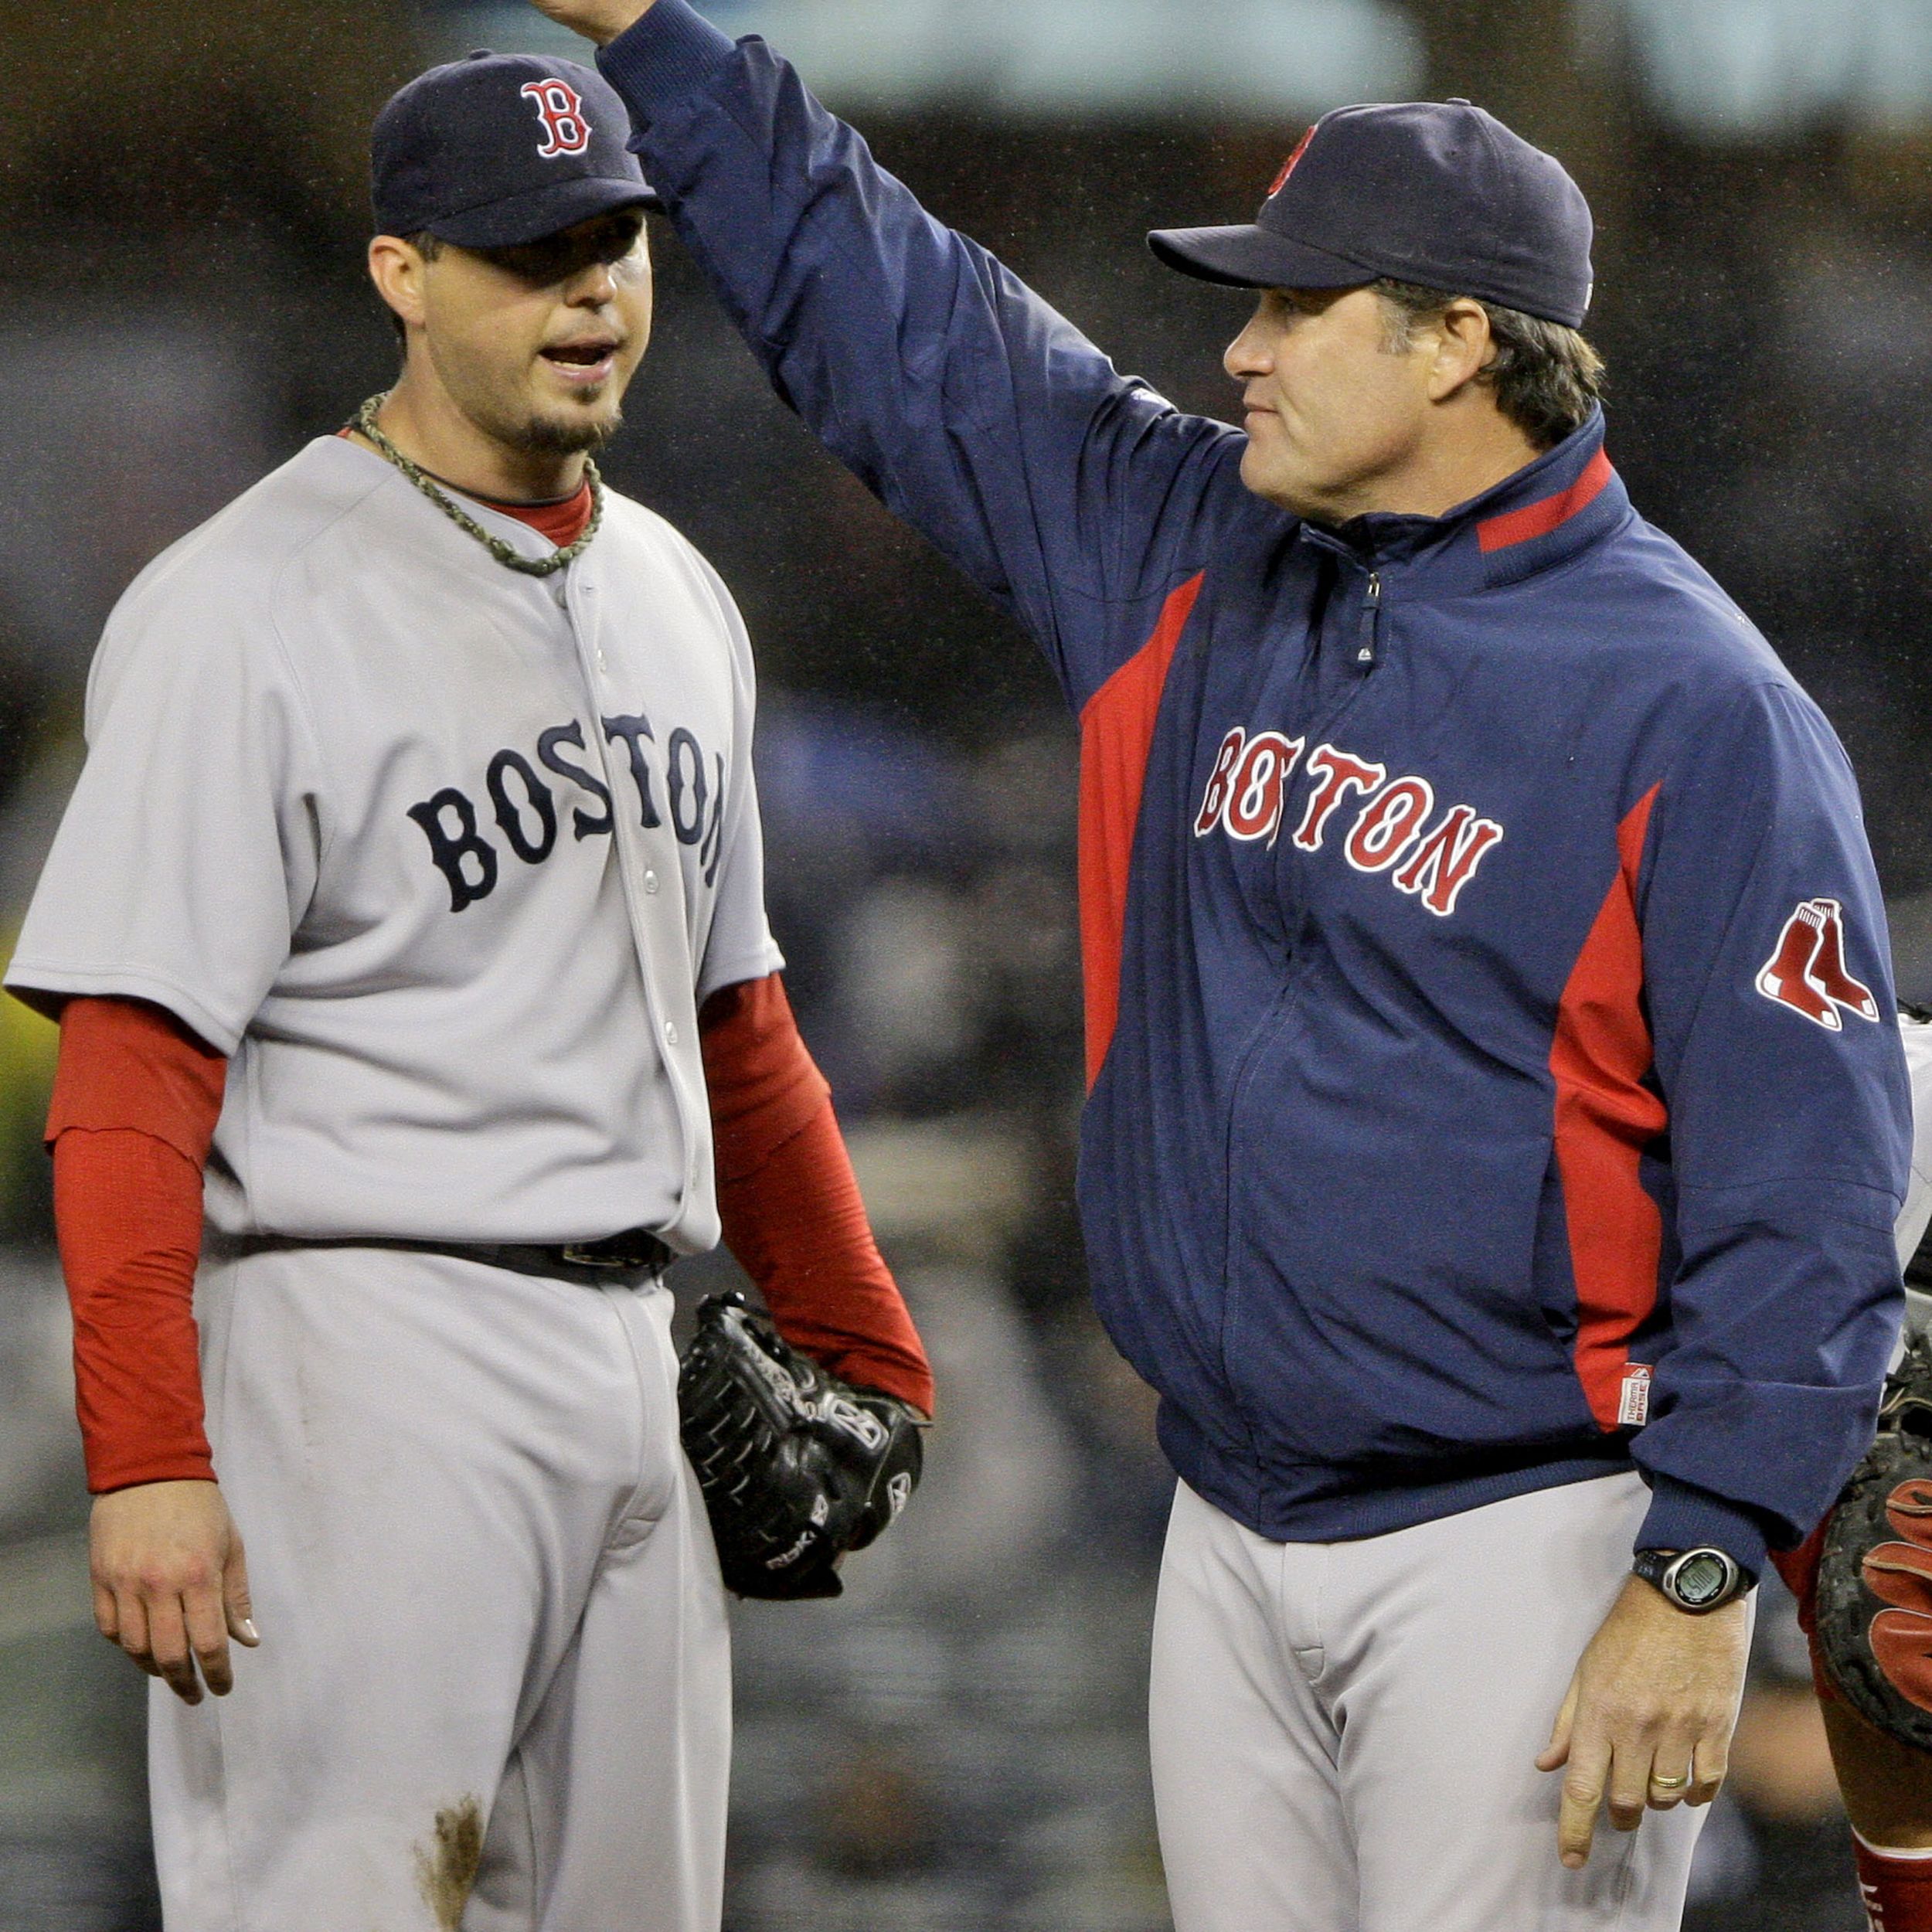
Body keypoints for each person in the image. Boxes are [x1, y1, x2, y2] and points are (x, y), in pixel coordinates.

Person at [521, 4, 1915, 1927]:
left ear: (1454, 341)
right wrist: (655, 40)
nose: (1238, 346)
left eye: (1296, 308)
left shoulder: (1691, 709)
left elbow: (1812, 1187)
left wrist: (1696, 1573)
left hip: (1523, 1536)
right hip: (1228, 1523)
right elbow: (901, 317)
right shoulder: (1186, 544)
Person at [3, 49, 932, 1932]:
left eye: (615, 243)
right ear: (402, 274)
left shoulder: (679, 595)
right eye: (529, 253)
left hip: (636, 1354)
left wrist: (866, 1338)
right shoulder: (240, 601)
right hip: (361, 1352)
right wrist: (151, 1456)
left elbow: (738, 1026)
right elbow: (127, 1072)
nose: (590, 291)